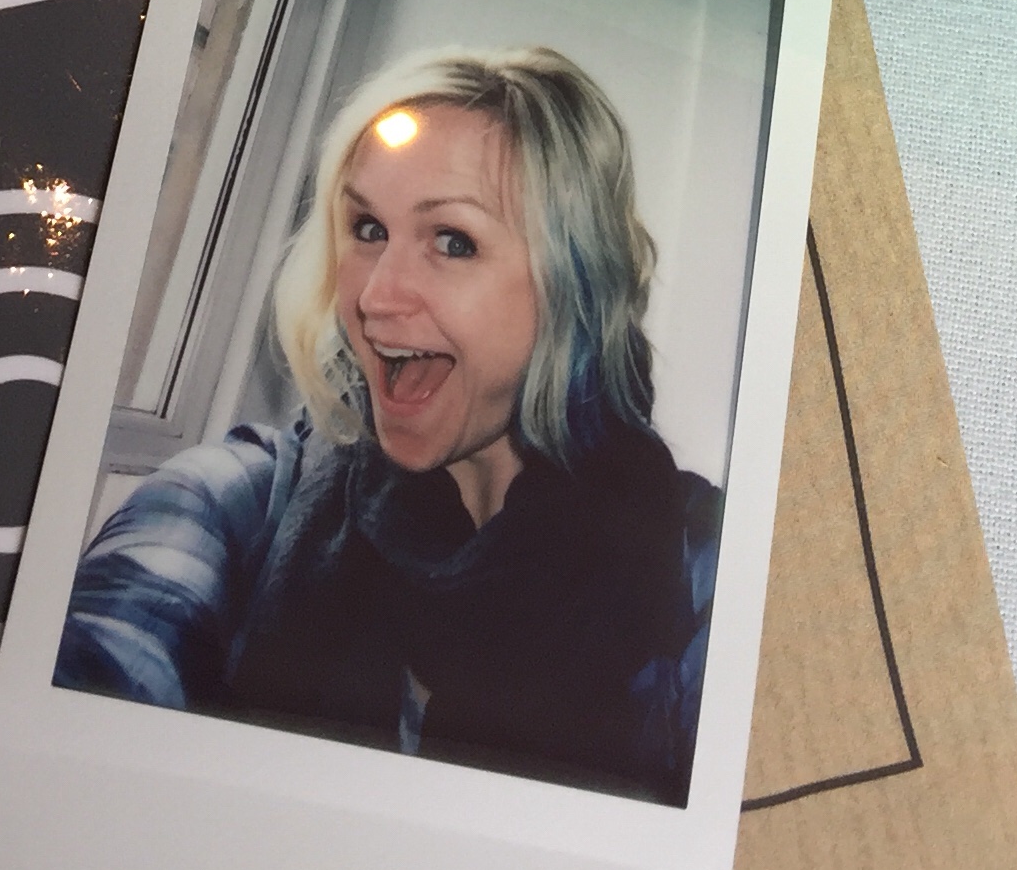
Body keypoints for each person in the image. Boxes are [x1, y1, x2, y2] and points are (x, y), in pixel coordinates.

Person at [53, 45, 721, 802]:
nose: (374, 298)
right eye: (367, 229)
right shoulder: (238, 500)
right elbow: (94, 687)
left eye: (453, 242)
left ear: (575, 284)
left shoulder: (698, 567)